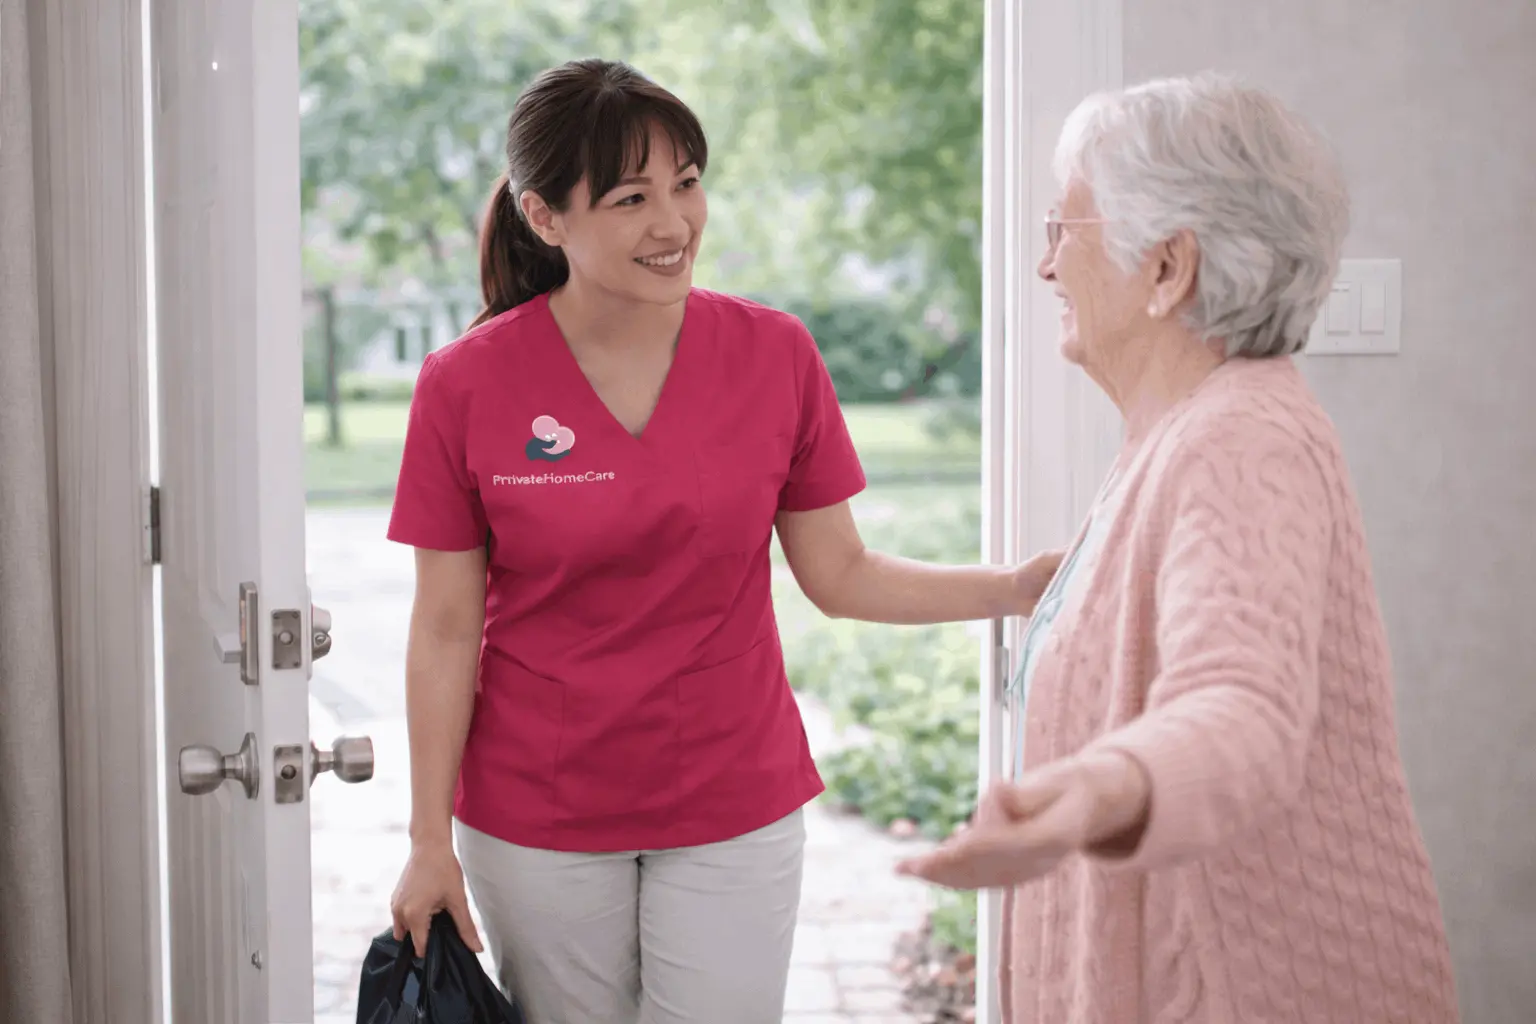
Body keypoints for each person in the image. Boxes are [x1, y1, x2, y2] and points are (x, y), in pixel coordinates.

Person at [384, 58, 1061, 1024]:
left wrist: (1017, 586)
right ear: (546, 218)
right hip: (540, 810)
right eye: (630, 198)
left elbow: (841, 571)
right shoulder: (465, 385)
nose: (673, 225)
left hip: (731, 796)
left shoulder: (774, 355)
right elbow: (445, 629)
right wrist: (425, 840)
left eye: (687, 184)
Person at [897, 73, 1460, 1023]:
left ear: (1168, 269)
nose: (1043, 270)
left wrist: (1094, 790)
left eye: (1060, 233)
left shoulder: (1241, 439)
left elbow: (1242, 704)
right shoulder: (1175, 436)